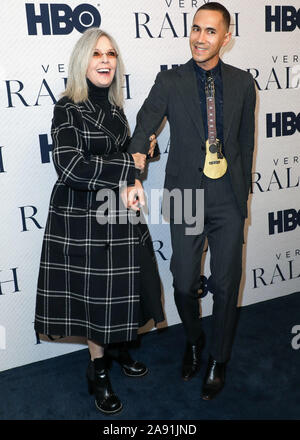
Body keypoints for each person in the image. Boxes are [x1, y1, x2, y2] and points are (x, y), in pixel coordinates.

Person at [126, 2, 256, 400]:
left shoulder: (242, 82)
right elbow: (145, 124)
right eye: (195, 29)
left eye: (210, 31)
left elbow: (245, 141)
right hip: (184, 194)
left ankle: (218, 358)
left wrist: (242, 194)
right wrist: (135, 165)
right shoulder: (171, 81)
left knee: (226, 283)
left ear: (226, 37)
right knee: (184, 284)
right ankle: (195, 340)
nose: (200, 38)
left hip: (227, 198)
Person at [34, 27, 164, 415]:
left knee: (122, 287)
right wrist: (129, 164)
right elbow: (70, 166)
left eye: (110, 54)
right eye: (96, 54)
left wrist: (143, 153)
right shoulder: (68, 107)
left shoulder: (115, 107)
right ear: (82, 62)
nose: (105, 60)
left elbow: (123, 155)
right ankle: (98, 371)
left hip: (117, 210)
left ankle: (120, 347)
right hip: (83, 217)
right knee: (95, 296)